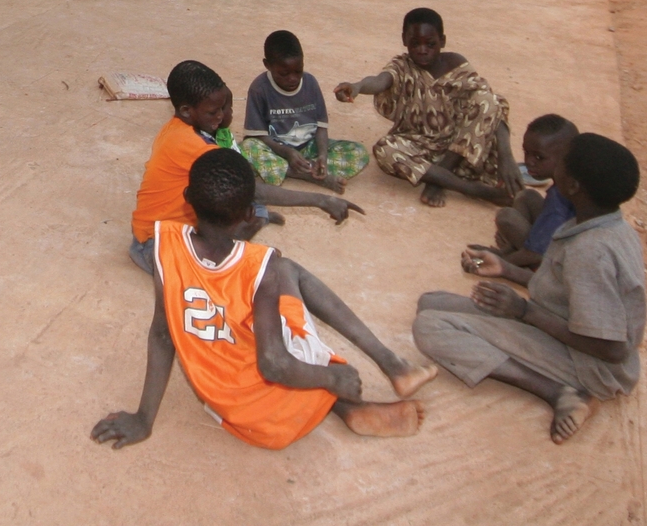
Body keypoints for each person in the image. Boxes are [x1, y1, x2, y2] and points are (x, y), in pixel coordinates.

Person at [93, 148, 432, 451]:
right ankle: (381, 373)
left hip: (228, 407)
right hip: (277, 411)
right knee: (289, 270)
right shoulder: (261, 266)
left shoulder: (165, 246)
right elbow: (274, 364)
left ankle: (350, 410)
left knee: (253, 310)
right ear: (247, 213)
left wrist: (143, 419)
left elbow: (162, 334)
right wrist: (333, 379)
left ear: (187, 198)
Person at [416, 133, 647, 445]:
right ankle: (556, 379)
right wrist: (507, 270)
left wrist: (523, 311)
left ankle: (562, 393)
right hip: (565, 329)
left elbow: (612, 348)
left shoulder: (590, 251)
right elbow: (568, 289)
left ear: (575, 186)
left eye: (562, 163)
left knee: (429, 327)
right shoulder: (606, 224)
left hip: (592, 365)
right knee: (430, 303)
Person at [127, 61, 357, 275]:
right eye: (213, 111)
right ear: (187, 110)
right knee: (250, 236)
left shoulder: (177, 129)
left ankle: (246, 230)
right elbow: (252, 189)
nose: (221, 115)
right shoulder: (193, 145)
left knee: (241, 200)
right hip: (155, 247)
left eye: (224, 108)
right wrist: (321, 201)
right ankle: (234, 253)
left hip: (167, 232)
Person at [336, 7, 520, 209]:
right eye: (415, 43)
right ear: (404, 40)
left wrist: (507, 157)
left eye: (430, 44)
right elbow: (380, 81)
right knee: (384, 149)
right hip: (419, 145)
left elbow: (492, 105)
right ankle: (471, 188)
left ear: (442, 41)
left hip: (459, 144)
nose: (422, 50)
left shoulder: (455, 64)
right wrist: (358, 87)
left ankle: (440, 175)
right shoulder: (401, 66)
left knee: (489, 100)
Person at [240, 30, 368, 192]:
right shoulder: (259, 89)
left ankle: (304, 168)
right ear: (267, 65)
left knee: (358, 152)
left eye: (298, 71)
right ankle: (307, 175)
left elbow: (321, 127)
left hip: (309, 148)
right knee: (246, 149)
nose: (292, 78)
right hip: (276, 150)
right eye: (284, 73)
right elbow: (257, 135)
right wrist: (287, 152)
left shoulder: (310, 83)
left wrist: (322, 156)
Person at [478, 114, 579, 269]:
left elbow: (537, 253)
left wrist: (501, 263)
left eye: (539, 157)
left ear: (566, 157)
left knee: (506, 217)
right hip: (560, 240)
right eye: (526, 152)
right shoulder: (569, 180)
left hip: (555, 259)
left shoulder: (559, 199)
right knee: (526, 196)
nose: (528, 161)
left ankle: (519, 258)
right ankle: (513, 249)